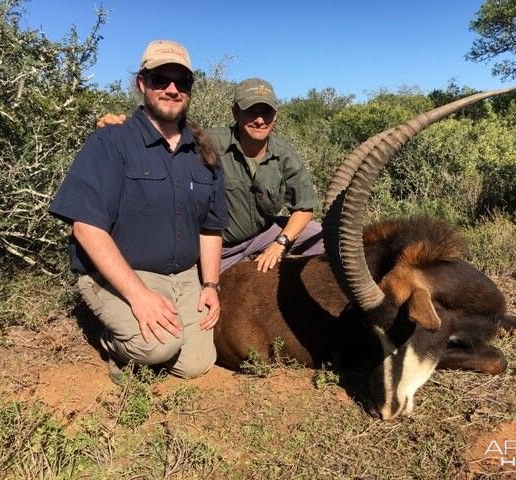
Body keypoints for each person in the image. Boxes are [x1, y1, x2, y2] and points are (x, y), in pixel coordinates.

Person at [49, 40, 228, 384]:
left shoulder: (204, 153)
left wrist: (210, 285)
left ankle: (149, 335)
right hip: (124, 273)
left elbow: (210, 228)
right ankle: (111, 340)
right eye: (161, 79)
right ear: (142, 83)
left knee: (197, 364)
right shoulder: (110, 142)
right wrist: (139, 296)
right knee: (157, 348)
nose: (172, 90)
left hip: (185, 277)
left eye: (183, 82)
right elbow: (86, 228)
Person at [98, 78, 324, 273]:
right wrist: (122, 127)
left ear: (275, 116)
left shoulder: (284, 155)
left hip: (265, 233)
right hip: (221, 246)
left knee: (330, 241)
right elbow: (162, 136)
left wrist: (280, 243)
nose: (259, 120)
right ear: (235, 112)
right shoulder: (209, 142)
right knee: (204, 308)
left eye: (266, 112)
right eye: (251, 111)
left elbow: (304, 207)